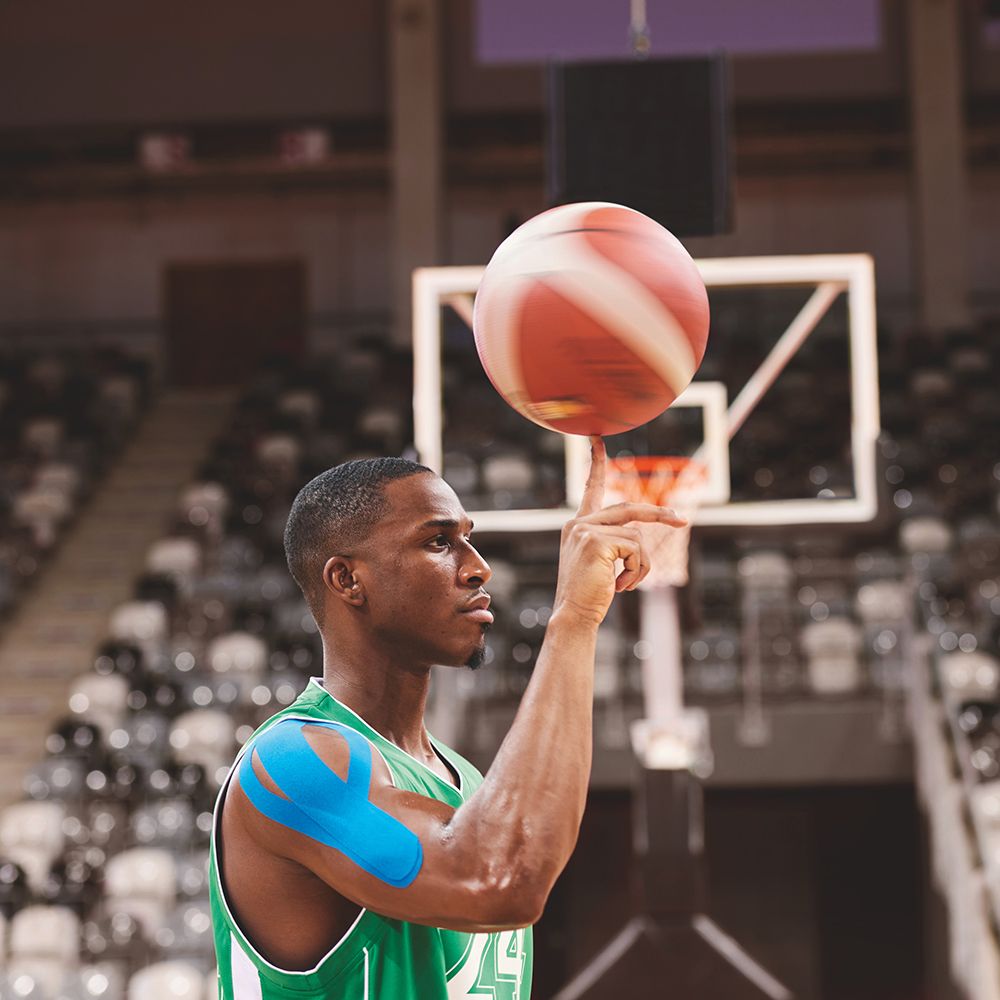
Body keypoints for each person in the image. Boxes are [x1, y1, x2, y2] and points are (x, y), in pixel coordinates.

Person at [209, 437, 683, 999]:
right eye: (439, 542)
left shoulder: (465, 780)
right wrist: (574, 618)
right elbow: (499, 882)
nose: (479, 568)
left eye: (469, 541)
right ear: (347, 580)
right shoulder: (294, 762)